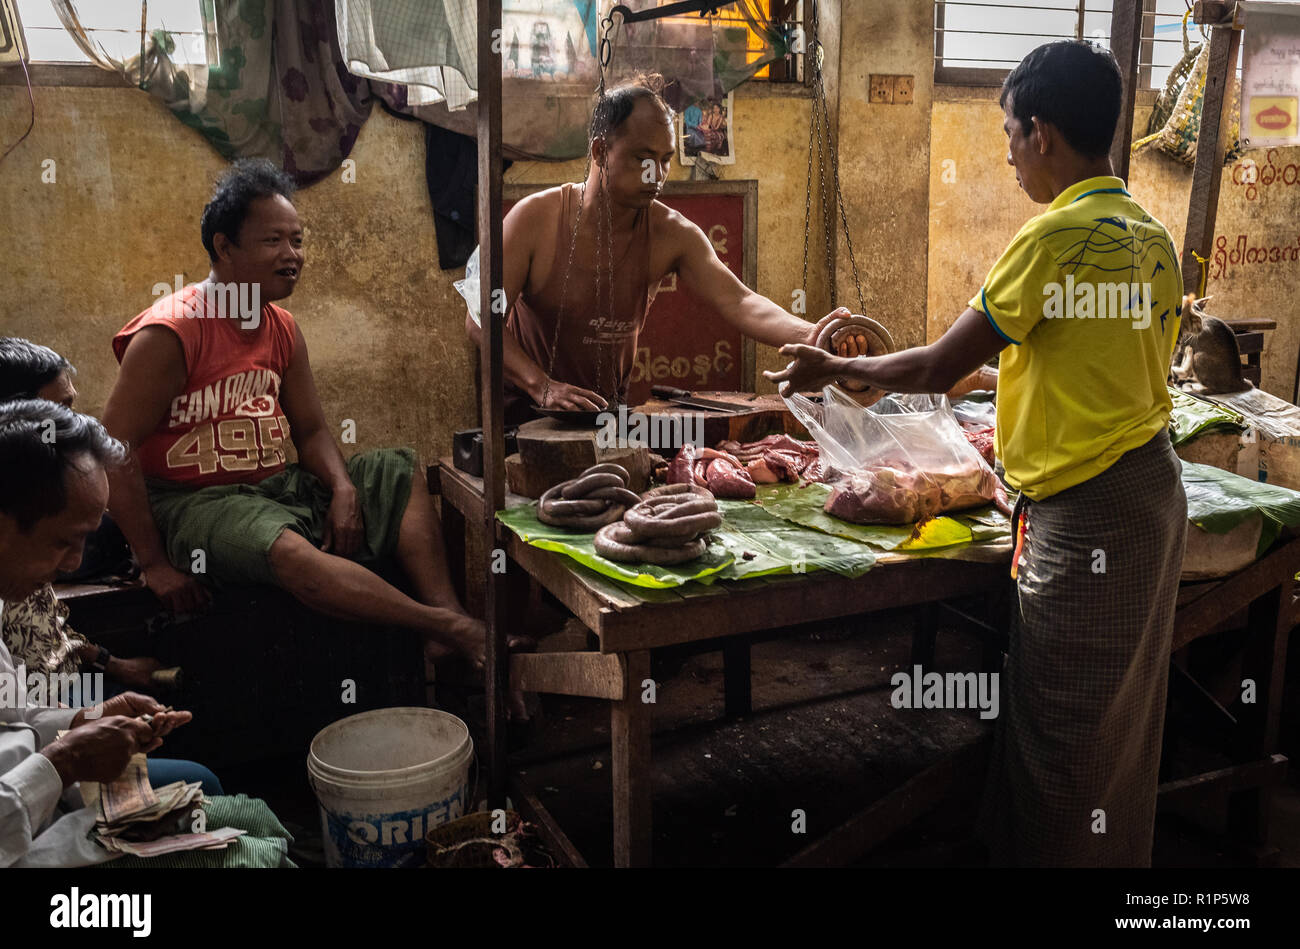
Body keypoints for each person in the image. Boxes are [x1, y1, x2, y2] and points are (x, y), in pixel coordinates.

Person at [766, 40, 1186, 867]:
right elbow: (1094, 359)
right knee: (1122, 725)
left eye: (1008, 134)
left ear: (1043, 133)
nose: (1006, 155)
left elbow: (928, 364)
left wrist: (833, 366)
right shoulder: (1151, 237)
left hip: (1091, 515)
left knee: (1064, 730)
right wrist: (1006, 376)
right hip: (1150, 498)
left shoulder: (1052, 237)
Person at [103, 160, 525, 675]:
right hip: (195, 506)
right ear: (224, 247)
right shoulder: (172, 332)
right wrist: (152, 563)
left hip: (273, 489)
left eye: (297, 241)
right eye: (273, 241)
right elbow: (112, 447)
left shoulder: (281, 327)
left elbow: (312, 431)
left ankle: (450, 620)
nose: (292, 256)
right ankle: (445, 627)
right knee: (285, 549)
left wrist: (344, 487)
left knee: (395, 470)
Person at [464, 81, 858, 425]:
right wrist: (542, 386)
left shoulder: (673, 234)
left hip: (605, 414)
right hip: (522, 416)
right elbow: (479, 317)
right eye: (642, 158)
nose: (658, 174)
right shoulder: (534, 219)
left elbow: (741, 301)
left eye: (666, 160)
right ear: (600, 152)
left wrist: (815, 336)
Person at [0, 399, 201, 866]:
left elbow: (10, 710)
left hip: (31, 809)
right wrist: (65, 761)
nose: (73, 563)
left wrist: (83, 721)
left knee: (207, 805)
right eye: (61, 542)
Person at [0, 338, 163, 691]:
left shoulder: (33, 543)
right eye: (62, 409)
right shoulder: (20, 544)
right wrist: (70, 740)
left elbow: (48, 625)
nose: (74, 422)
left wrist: (111, 665)